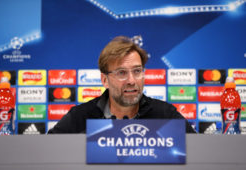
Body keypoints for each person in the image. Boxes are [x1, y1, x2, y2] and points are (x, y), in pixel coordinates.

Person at [48, 36, 196, 134]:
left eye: (137, 71)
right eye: (121, 73)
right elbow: (47, 154)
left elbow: (199, 154)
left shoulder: (165, 115)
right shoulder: (80, 117)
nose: (131, 80)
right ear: (104, 80)